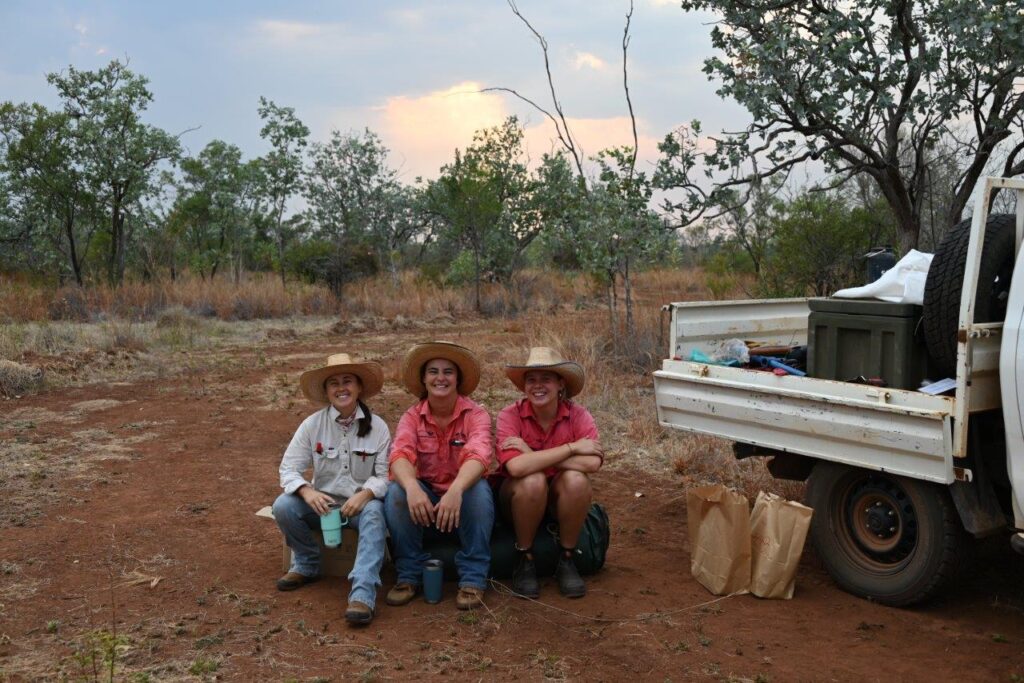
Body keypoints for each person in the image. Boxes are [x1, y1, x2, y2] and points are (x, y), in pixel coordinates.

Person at [272, 353, 390, 625]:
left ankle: (362, 593)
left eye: (348, 381)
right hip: (323, 507)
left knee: (374, 513)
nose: (341, 388)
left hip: (359, 507)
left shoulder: (379, 428)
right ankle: (307, 563)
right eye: (333, 383)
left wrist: (366, 494)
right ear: (326, 392)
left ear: (359, 387)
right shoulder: (312, 425)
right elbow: (288, 469)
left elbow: (385, 475)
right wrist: (307, 492)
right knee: (284, 506)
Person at [384, 341, 495, 610]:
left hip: (463, 497)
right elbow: (399, 454)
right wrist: (412, 487)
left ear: (458, 379)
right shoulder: (412, 417)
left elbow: (480, 455)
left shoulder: (476, 415)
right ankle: (409, 574)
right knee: (396, 493)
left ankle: (473, 577)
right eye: (433, 371)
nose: (440, 378)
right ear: (424, 379)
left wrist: (456, 490)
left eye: (448, 372)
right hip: (428, 499)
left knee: (479, 491)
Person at [495, 347, 604, 598]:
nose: (538, 386)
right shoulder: (509, 415)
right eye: (531, 379)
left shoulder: (578, 415)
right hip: (516, 500)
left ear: (560, 384)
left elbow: (592, 464)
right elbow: (516, 467)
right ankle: (525, 558)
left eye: (546, 379)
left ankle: (567, 558)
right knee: (531, 480)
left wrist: (531, 453)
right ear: (524, 386)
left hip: (558, 500)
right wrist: (572, 448)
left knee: (576, 480)